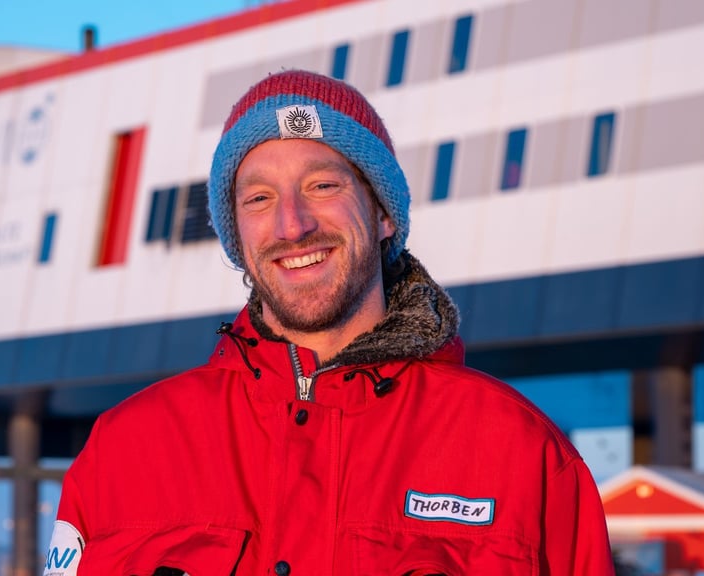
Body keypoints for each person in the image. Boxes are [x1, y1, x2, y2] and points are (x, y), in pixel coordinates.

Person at [43, 70, 615, 575]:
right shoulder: (124, 451)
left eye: (323, 185)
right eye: (259, 198)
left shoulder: (521, 454)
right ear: (237, 237)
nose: (292, 226)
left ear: (384, 213)